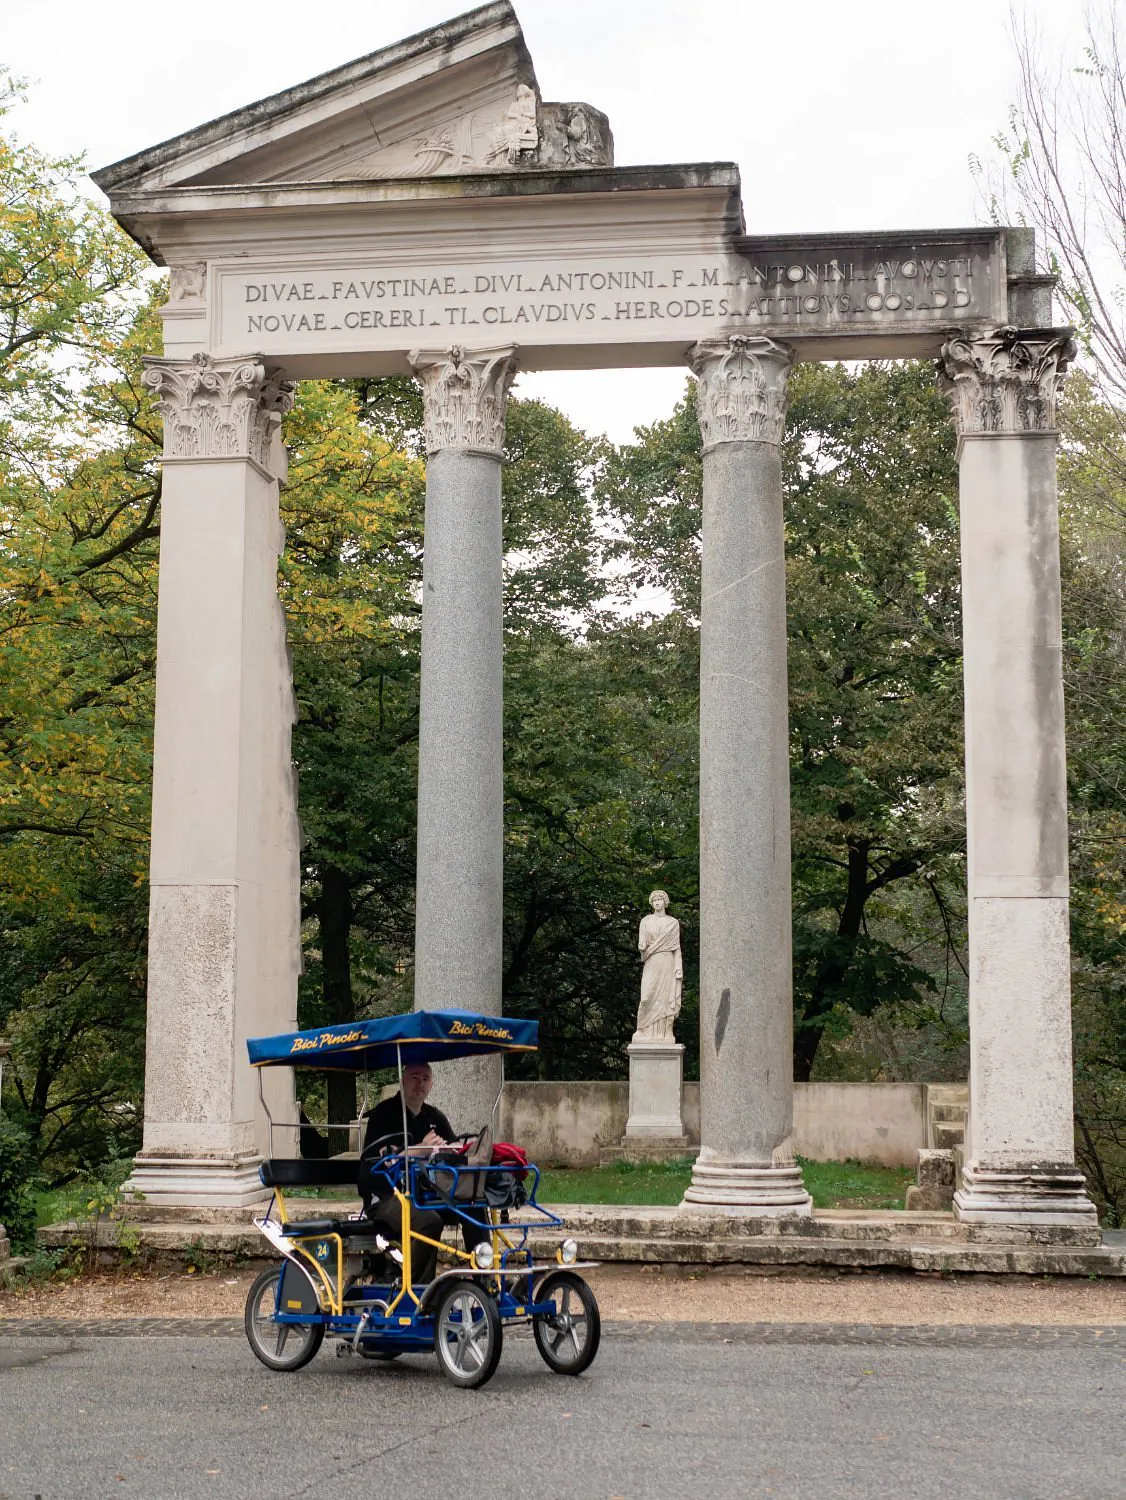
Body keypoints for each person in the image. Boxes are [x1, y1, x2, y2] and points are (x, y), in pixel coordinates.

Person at [359, 1061, 487, 1280]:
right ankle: (420, 1288)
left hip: (428, 1194)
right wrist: (422, 1148)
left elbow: (453, 1153)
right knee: (428, 1221)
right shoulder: (383, 1114)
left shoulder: (435, 1117)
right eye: (415, 1077)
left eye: (425, 1079)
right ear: (402, 1080)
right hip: (387, 1197)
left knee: (473, 1207)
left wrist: (450, 1150)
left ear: (432, 1084)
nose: (420, 1084)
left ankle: (484, 1278)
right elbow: (381, 1161)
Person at [633, 890, 684, 1043]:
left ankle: (665, 1032)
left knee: (665, 999)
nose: (657, 902)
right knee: (646, 997)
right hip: (652, 962)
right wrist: (642, 946)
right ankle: (642, 1029)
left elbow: (676, 948)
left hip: (667, 962)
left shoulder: (673, 923)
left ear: (665, 902)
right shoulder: (646, 921)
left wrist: (678, 968)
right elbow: (642, 944)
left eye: (659, 899)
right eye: (654, 900)